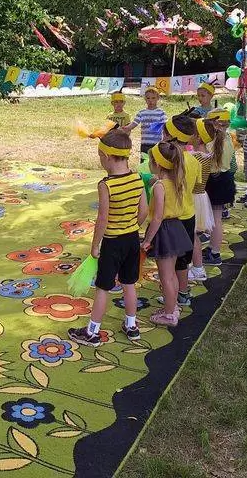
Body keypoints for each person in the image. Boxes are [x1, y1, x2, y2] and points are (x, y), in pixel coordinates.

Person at [68, 129, 148, 346]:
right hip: (132, 239)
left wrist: (95, 246)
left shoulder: (106, 185)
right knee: (129, 283)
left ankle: (92, 332)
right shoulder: (137, 178)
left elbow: (102, 218)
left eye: (100, 157)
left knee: (103, 287)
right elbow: (144, 210)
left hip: (112, 242)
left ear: (107, 156)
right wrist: (132, 226)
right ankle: (132, 326)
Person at [142, 141, 194, 326]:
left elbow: (157, 218)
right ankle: (171, 307)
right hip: (176, 228)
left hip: (163, 232)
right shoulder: (177, 181)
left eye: (150, 161)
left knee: (165, 277)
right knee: (171, 274)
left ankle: (169, 314)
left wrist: (147, 240)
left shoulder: (159, 187)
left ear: (157, 164)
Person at [159, 115, 203, 306]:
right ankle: (183, 293)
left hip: (171, 219)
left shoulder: (169, 161)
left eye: (164, 133)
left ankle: (171, 300)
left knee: (168, 263)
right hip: (188, 215)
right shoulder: (195, 161)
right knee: (183, 261)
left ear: (171, 136)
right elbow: (196, 187)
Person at [203, 108, 236, 266]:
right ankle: (212, 247)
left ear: (214, 124)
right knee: (216, 217)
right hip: (225, 178)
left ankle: (215, 253)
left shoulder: (211, 143)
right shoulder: (228, 138)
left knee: (216, 218)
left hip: (215, 180)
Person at [188, 118, 216, 281]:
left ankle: (197, 269)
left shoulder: (194, 157)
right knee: (193, 235)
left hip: (192, 198)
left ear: (198, 137)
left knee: (191, 235)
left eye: (191, 132)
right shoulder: (207, 154)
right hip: (200, 197)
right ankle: (195, 267)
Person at [122, 86, 168, 155]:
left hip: (157, 144)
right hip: (144, 143)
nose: (150, 100)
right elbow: (134, 123)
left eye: (153, 98)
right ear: (145, 99)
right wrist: (126, 128)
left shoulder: (161, 113)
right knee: (144, 161)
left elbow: (165, 125)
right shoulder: (142, 112)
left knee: (156, 161)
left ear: (158, 98)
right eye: (148, 98)